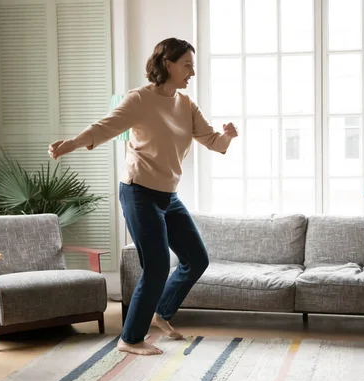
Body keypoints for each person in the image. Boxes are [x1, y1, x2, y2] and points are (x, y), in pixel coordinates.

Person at [48, 38, 238, 356]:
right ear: (168, 64)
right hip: (138, 192)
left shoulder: (186, 104)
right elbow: (105, 127)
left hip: (168, 196)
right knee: (157, 265)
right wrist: (71, 143)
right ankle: (131, 338)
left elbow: (214, 142)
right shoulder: (139, 99)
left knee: (196, 258)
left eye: (193, 65)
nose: (192, 72)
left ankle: (160, 312)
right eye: (187, 65)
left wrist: (228, 136)